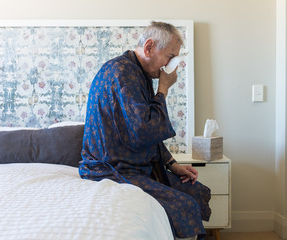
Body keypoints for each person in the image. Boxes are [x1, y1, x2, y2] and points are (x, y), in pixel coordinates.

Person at [79, 21, 211, 240]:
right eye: (170, 57)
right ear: (149, 47)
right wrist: (164, 90)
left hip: (134, 162)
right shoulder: (123, 74)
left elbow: (143, 129)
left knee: (196, 191)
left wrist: (172, 164)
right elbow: (145, 130)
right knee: (184, 205)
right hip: (111, 167)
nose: (170, 66)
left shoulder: (136, 71)